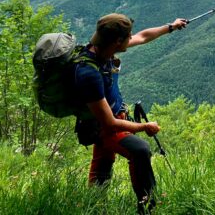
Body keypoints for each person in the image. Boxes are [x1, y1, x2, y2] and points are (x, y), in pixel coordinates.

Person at [74, 13, 187, 214]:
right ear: (118, 41)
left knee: (101, 170)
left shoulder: (103, 49)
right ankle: (149, 207)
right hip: (102, 127)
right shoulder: (88, 73)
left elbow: (143, 37)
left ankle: (94, 207)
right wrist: (144, 126)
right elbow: (109, 124)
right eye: (128, 36)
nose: (132, 37)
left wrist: (171, 26)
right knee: (140, 150)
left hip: (112, 120)